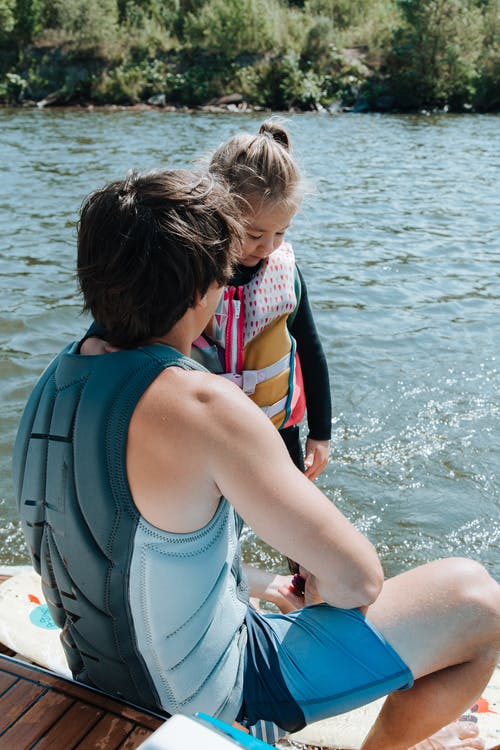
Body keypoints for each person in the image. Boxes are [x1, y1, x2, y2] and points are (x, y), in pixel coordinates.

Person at [13, 169, 500, 750]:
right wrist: (322, 588)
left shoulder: (52, 383)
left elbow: (123, 557)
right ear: (201, 291)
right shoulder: (203, 402)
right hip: (212, 702)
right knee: (476, 599)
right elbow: (359, 581)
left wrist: (264, 583)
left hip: (105, 682)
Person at [193, 120, 331, 483]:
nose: (268, 246)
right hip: (207, 432)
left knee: (289, 514)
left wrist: (321, 433)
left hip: (277, 429)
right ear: (218, 210)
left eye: (280, 233)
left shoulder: (284, 271)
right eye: (254, 234)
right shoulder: (192, 271)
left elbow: (312, 354)